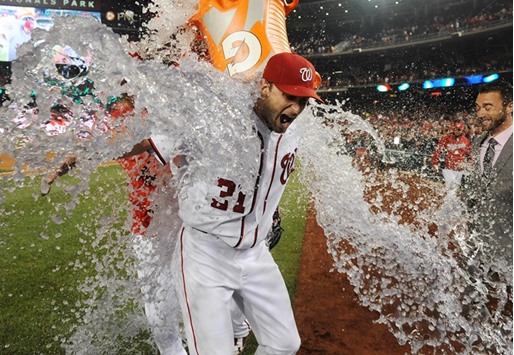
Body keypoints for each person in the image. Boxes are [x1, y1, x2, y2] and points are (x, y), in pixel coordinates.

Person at [123, 52, 322, 354]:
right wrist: (82, 155)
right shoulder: (217, 119)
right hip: (206, 254)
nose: (296, 108)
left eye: (304, 101)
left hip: (256, 254)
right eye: (290, 96)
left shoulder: (293, 135)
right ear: (265, 88)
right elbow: (147, 144)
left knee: (284, 343)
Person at [460, 79, 513, 318]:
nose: (481, 113)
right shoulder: (477, 145)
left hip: (510, 251)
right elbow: (471, 192)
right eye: (479, 107)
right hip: (477, 246)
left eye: (488, 107)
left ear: (509, 107)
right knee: (474, 311)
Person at [431, 120, 472, 193]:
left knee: (455, 190)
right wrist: (435, 163)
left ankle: (449, 203)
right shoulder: (446, 138)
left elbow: (470, 155)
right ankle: (447, 203)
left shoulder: (466, 141)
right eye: (455, 129)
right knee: (450, 189)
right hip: (448, 168)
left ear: (462, 130)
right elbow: (438, 150)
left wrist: (470, 165)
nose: (456, 131)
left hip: (460, 169)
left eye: (458, 129)